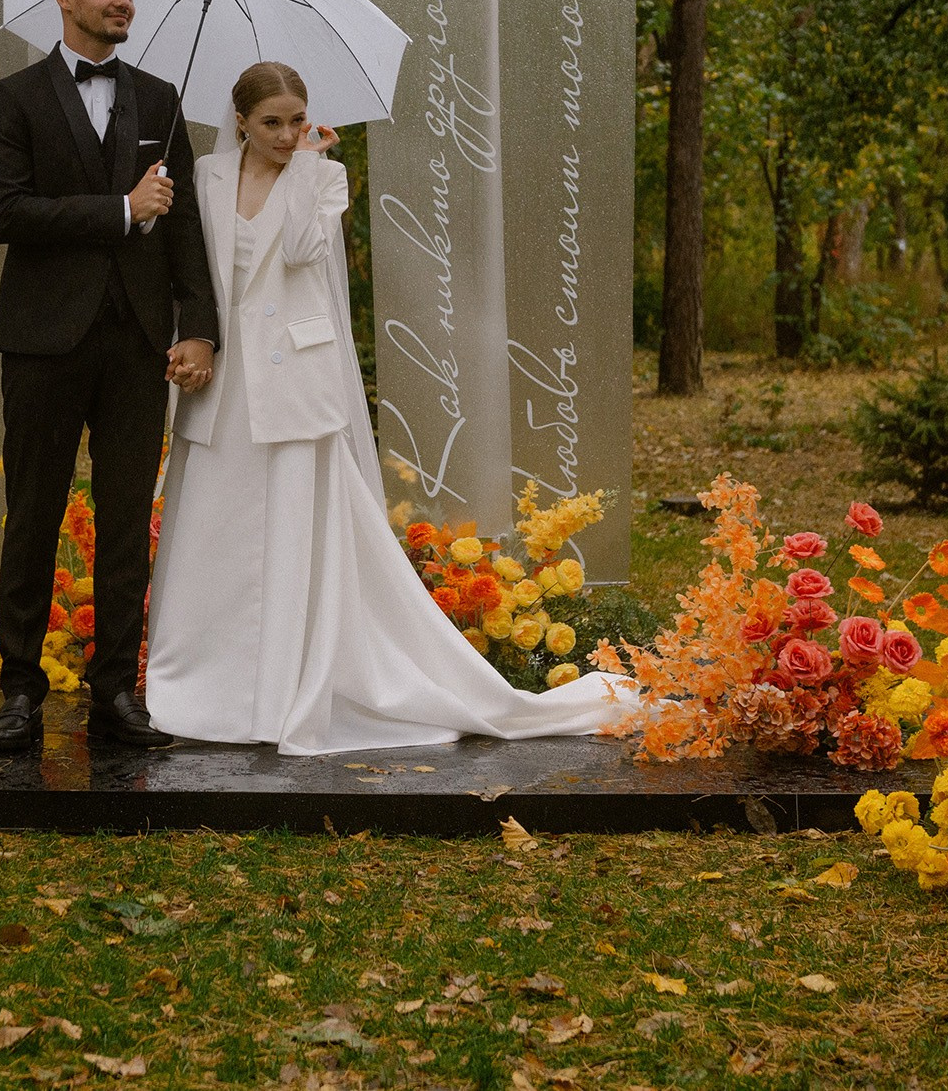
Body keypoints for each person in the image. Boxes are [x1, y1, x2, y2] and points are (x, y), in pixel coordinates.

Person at [144, 61, 629, 754]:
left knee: (290, 526)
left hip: (292, 375)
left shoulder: (322, 177)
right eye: (272, 123)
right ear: (241, 121)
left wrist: (307, 173)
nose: (286, 134)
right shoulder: (206, 177)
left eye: (297, 121)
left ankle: (283, 685)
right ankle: (204, 685)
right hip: (223, 374)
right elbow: (190, 267)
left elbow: (309, 253)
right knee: (213, 530)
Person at [0, 0, 218, 754]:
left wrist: (202, 327)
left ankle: (117, 693)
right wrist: (119, 208)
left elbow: (183, 223)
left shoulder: (160, 99)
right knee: (33, 518)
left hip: (138, 344)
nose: (123, 2)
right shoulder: (14, 99)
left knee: (124, 525)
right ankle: (19, 692)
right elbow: (6, 214)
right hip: (44, 342)